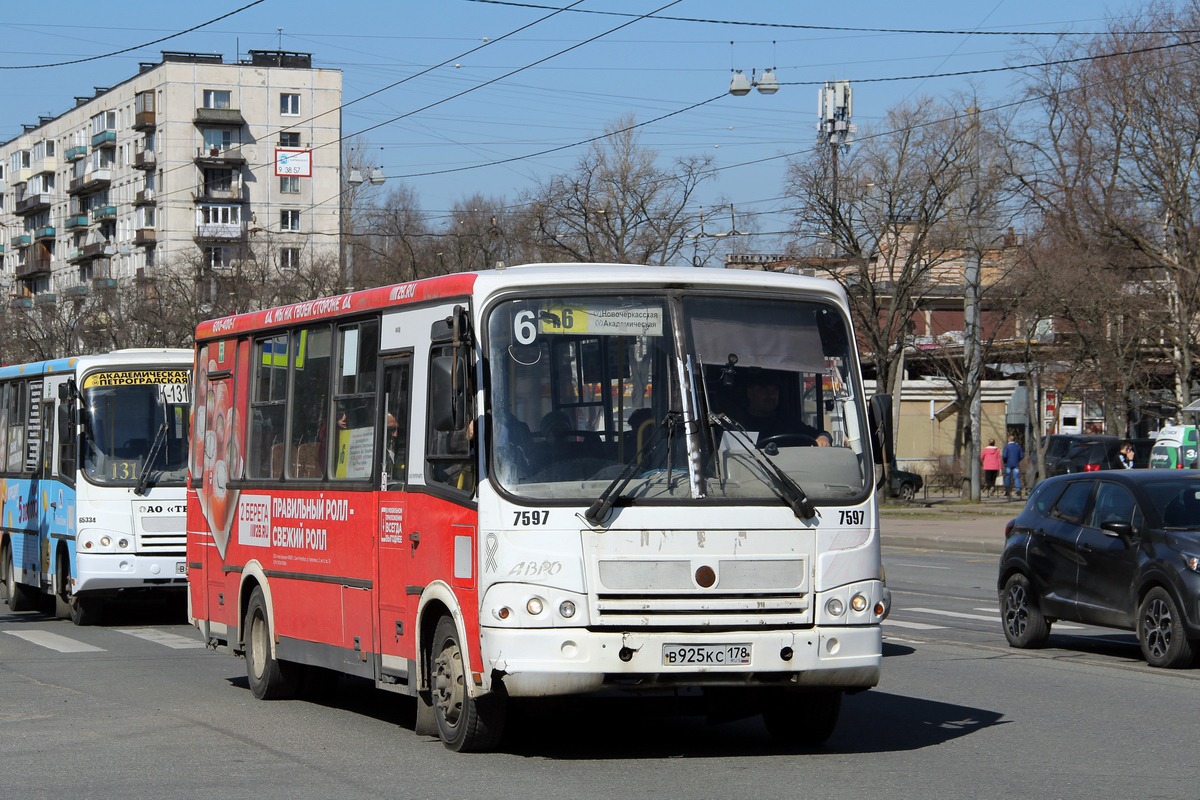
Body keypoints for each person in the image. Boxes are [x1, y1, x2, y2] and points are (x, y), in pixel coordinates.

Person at [736, 372, 830, 446]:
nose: (771, 395)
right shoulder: (735, 425)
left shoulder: (788, 423)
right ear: (750, 393)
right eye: (764, 389)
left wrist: (823, 438)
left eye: (774, 390)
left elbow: (820, 434)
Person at [1002, 434, 1025, 499]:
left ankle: (1007, 490)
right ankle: (1018, 490)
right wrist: (1018, 460)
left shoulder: (1007, 447)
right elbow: (1022, 456)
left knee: (1007, 477)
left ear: (1009, 439)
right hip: (1016, 464)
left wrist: (1005, 461)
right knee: (1016, 477)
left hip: (1008, 464)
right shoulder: (1018, 447)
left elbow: (1004, 456)